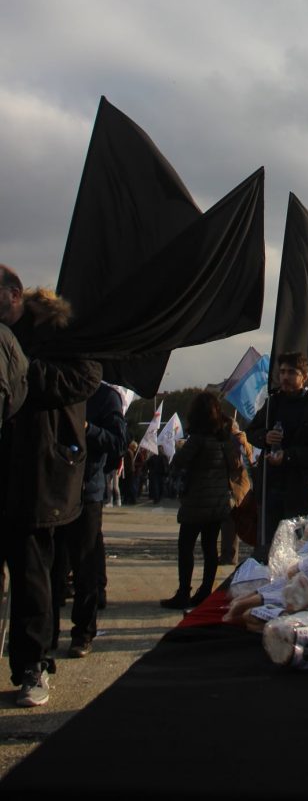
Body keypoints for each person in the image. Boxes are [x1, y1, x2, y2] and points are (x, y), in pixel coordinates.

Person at [0, 266, 102, 707]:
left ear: (14, 294)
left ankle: (33, 666)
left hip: (38, 474)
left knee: (32, 578)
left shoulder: (63, 334)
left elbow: (83, 380)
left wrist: (21, 369)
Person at [51, 382, 128, 657]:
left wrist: (86, 429)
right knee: (52, 568)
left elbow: (118, 442)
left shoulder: (106, 397)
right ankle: (47, 635)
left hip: (87, 493)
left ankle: (83, 633)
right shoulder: (54, 389)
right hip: (54, 491)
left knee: (85, 567)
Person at [246, 352, 308, 560]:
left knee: (296, 552)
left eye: (291, 372)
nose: (285, 377)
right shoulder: (272, 404)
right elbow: (251, 432)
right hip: (271, 489)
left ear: (304, 376)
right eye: (282, 372)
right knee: (269, 549)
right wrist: (265, 437)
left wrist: (288, 456)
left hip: (301, 492)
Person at [160, 391, 239, 610]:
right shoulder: (225, 439)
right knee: (210, 548)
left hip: (196, 502)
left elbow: (179, 462)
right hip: (218, 503)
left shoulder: (198, 439)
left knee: (185, 547)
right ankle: (205, 591)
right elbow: (234, 466)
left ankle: (184, 592)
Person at [219, 421, 254, 566]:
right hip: (239, 486)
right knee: (230, 523)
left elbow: (236, 463)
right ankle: (228, 554)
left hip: (236, 487)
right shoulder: (242, 440)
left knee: (230, 523)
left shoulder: (237, 441)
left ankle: (229, 556)